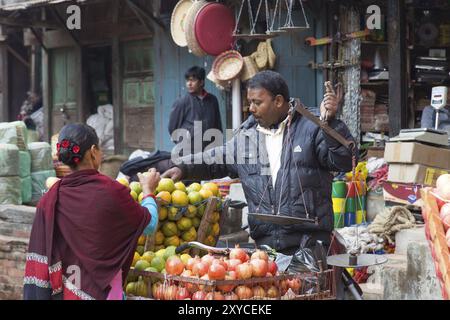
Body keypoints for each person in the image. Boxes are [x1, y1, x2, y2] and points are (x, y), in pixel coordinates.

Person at [163, 70, 356, 255]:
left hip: (310, 245)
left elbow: (343, 161)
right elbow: (217, 158)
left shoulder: (313, 126)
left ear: (278, 101)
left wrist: (330, 124)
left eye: (257, 102)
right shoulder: (247, 137)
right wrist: (183, 168)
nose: (251, 109)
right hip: (265, 249)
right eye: (250, 102)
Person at [24, 123, 161, 300]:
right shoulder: (111, 192)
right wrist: (148, 190)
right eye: (100, 150)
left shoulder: (49, 199)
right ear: (93, 151)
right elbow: (150, 224)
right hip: (106, 294)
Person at [168, 66, 223, 155]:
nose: (189, 84)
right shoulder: (182, 102)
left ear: (201, 82)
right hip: (188, 151)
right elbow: (172, 128)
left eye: (193, 80)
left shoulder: (212, 100)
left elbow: (217, 125)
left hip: (209, 149)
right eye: (187, 81)